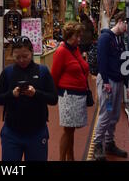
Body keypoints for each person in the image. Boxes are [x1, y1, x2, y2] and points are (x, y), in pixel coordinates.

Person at [0, 36, 58, 161]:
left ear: (32, 53)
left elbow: (53, 99)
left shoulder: (42, 71)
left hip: (37, 132)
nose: (22, 60)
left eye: (25, 56)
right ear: (12, 55)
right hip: (12, 132)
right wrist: (11, 94)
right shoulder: (7, 72)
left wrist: (36, 93)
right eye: (17, 57)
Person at [93, 10, 129, 161]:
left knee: (114, 114)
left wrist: (126, 84)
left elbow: (124, 63)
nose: (127, 29)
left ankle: (109, 143)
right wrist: (106, 82)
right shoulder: (106, 38)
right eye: (127, 25)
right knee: (106, 114)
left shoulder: (120, 39)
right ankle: (97, 145)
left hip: (118, 81)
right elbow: (101, 61)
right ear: (121, 21)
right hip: (108, 82)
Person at [51, 22, 90, 161]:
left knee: (71, 130)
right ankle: (63, 158)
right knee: (68, 131)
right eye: (77, 36)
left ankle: (71, 157)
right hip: (68, 96)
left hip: (78, 95)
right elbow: (54, 75)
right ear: (69, 36)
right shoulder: (61, 52)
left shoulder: (75, 49)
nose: (79, 39)